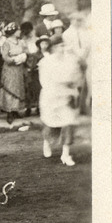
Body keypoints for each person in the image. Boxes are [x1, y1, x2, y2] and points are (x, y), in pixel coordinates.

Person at [39, 34, 83, 166]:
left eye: (62, 45)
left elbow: (76, 77)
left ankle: (65, 154)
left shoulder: (69, 61)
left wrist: (72, 88)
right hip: (51, 97)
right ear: (52, 48)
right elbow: (45, 82)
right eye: (58, 46)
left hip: (66, 95)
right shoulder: (45, 62)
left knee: (68, 123)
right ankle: (46, 143)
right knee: (51, 126)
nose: (61, 48)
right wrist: (62, 84)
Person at [0, 22, 28, 124]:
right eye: (18, 30)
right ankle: (9, 112)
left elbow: (25, 52)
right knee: (10, 87)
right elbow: (5, 57)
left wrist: (23, 57)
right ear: (13, 32)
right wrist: (15, 59)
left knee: (19, 87)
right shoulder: (6, 43)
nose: (20, 32)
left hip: (19, 69)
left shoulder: (21, 42)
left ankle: (16, 110)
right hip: (10, 69)